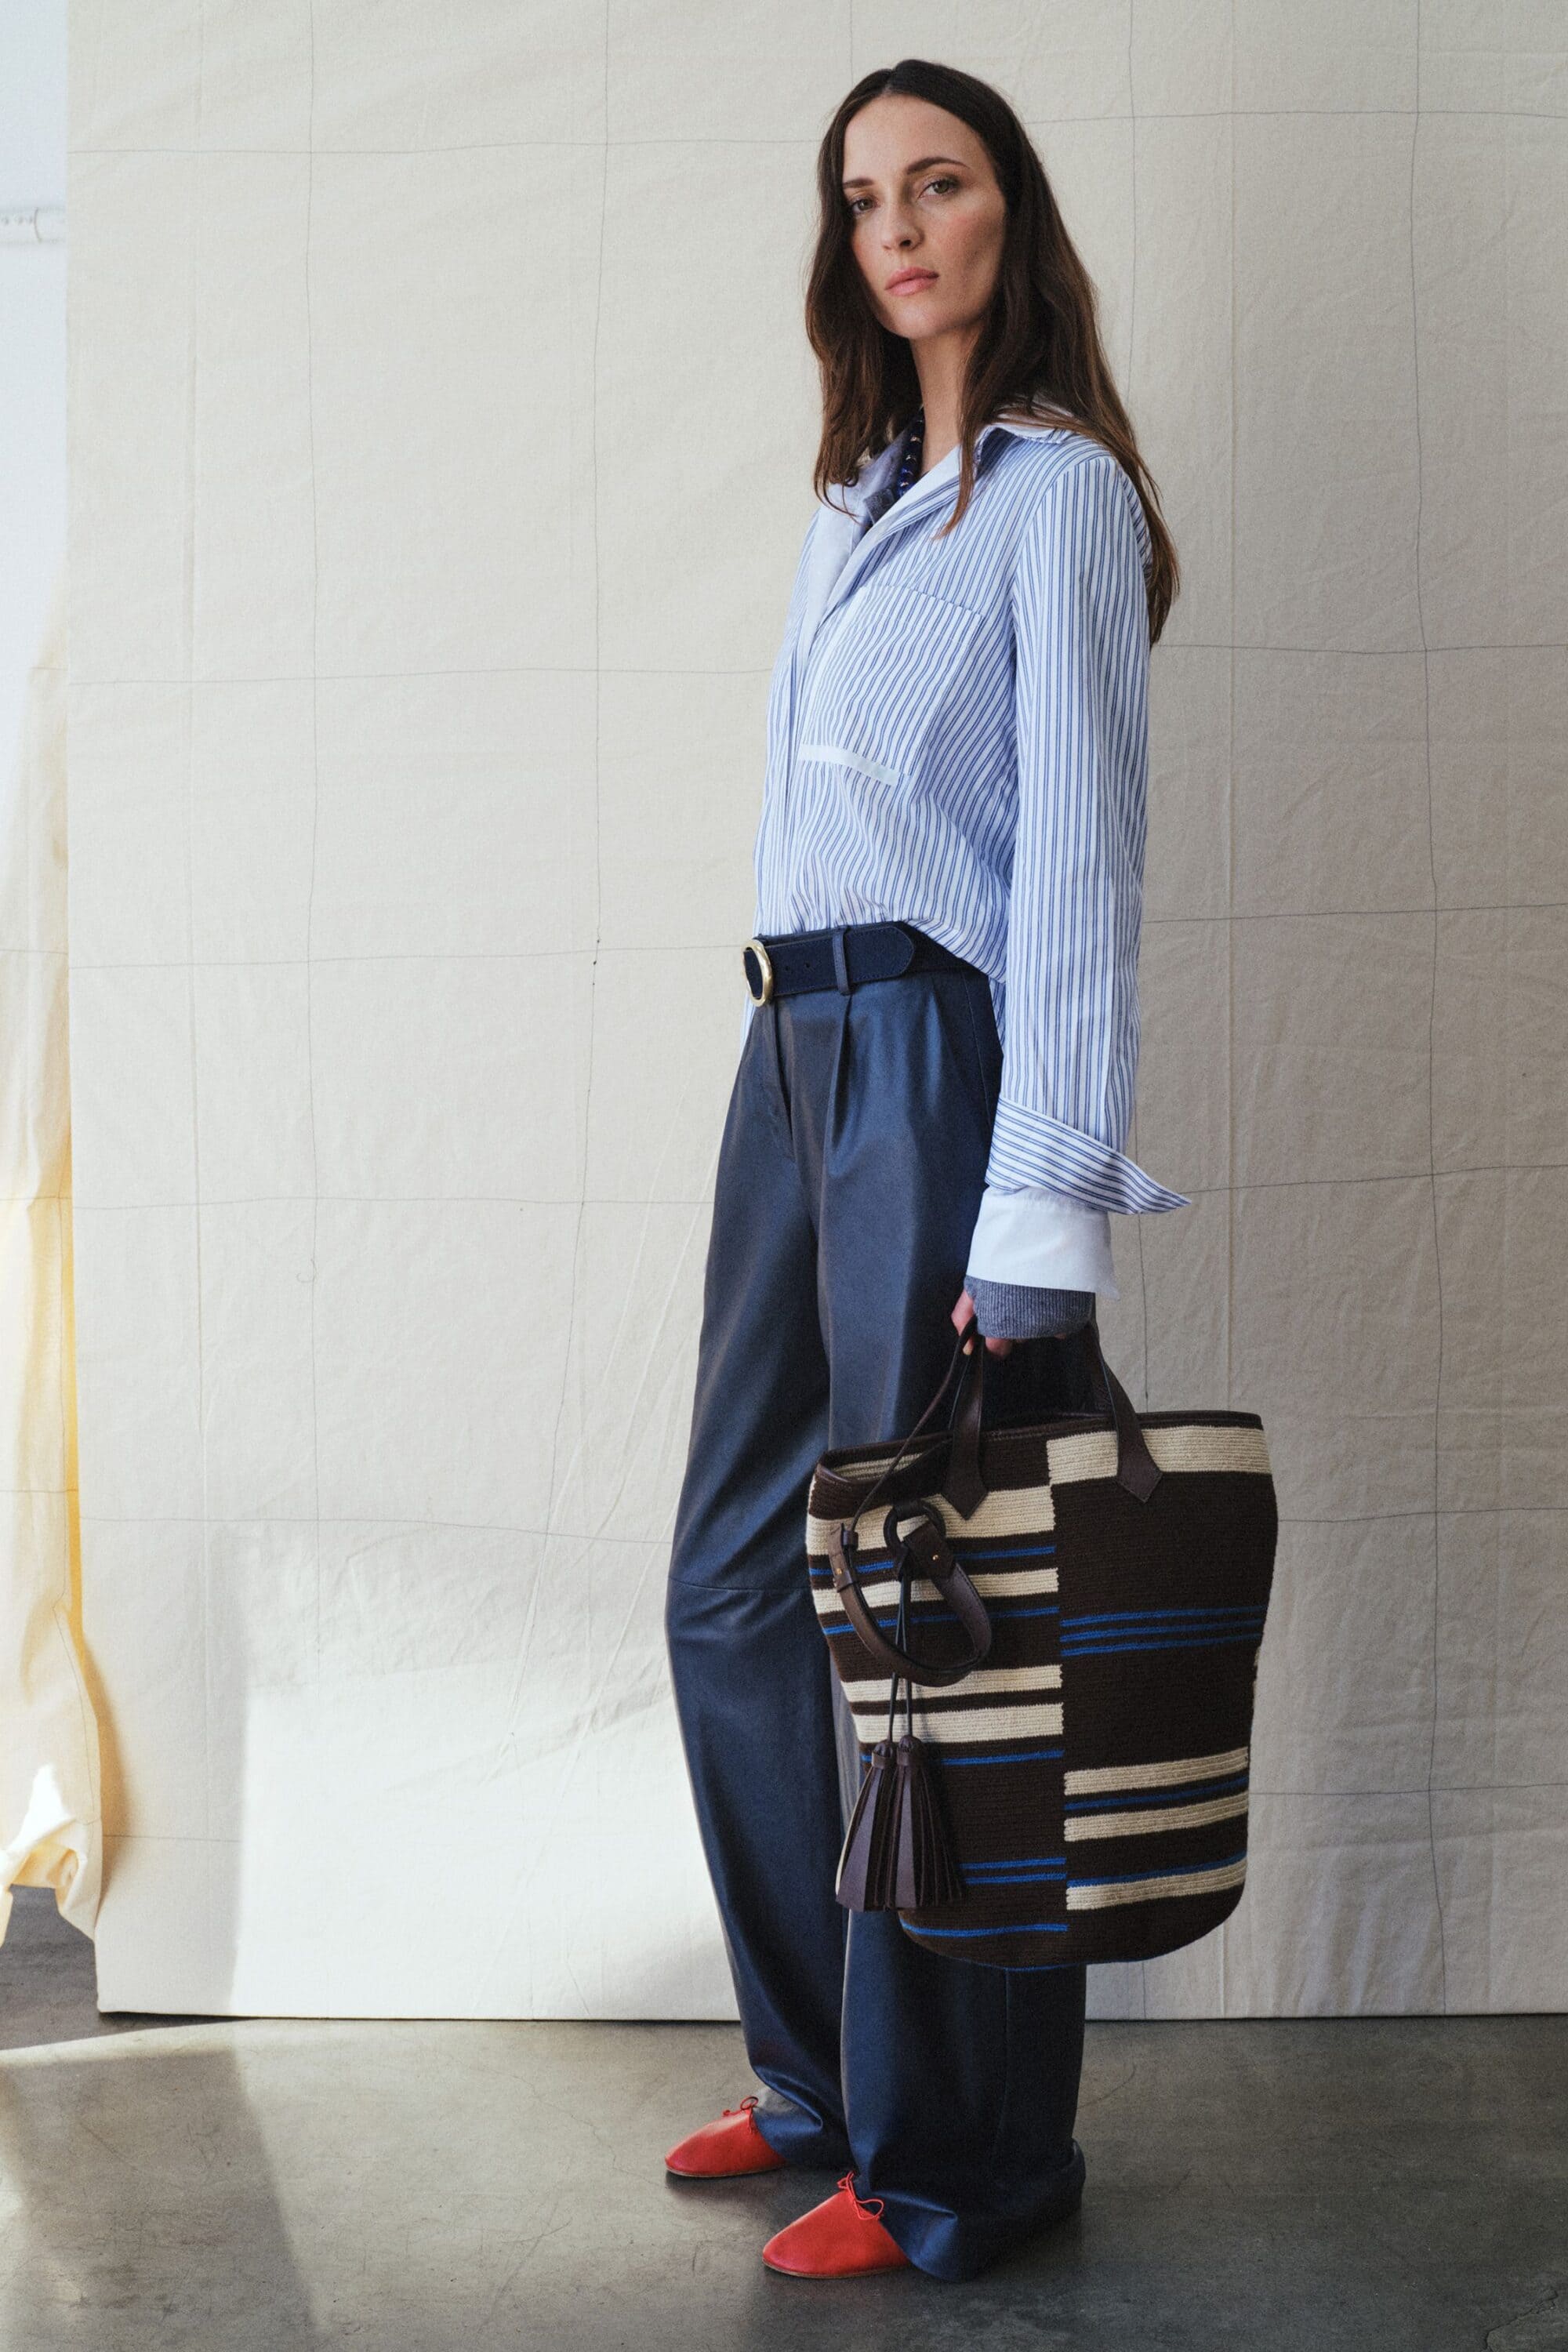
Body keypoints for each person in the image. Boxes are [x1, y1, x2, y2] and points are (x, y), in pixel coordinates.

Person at [661, 55, 1189, 2285]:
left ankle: (960, 2157)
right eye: (865, 195)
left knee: (934, 1625)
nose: (896, 226)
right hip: (791, 1048)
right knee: (737, 1580)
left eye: (938, 183)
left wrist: (1040, 1206)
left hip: (936, 1057)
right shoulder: (860, 500)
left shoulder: (1058, 499)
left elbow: (1077, 867)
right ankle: (820, 2079)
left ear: (1007, 216)